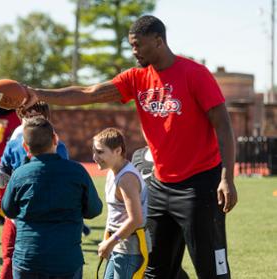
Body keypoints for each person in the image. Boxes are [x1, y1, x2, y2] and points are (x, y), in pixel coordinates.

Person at [21, 15, 237, 279]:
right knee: (155, 271)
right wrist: (38, 94)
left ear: (158, 41)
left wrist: (227, 177)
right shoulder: (136, 78)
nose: (133, 51)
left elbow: (223, 125)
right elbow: (89, 93)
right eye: (131, 45)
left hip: (199, 185)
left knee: (211, 270)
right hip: (159, 186)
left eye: (138, 45)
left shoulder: (195, 74)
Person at [0, 117, 102, 279]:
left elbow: (8, 209)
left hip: (28, 259)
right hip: (66, 260)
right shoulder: (77, 171)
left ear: (25, 147)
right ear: (55, 139)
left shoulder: (19, 174)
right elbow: (94, 210)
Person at [0, 102, 70, 279]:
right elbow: (2, 180)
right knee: (9, 259)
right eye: (28, 115)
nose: (32, 120)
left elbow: (63, 182)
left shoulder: (57, 146)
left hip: (47, 218)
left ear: (46, 118)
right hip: (16, 217)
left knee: (45, 263)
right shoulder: (14, 145)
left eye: (37, 115)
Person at [93, 128, 149, 279]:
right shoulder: (113, 171)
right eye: (94, 151)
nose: (95, 157)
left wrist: (110, 242)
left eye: (100, 152)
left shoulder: (126, 178)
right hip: (119, 245)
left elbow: (135, 219)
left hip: (129, 250)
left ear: (117, 150)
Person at [131, 147, 189, 279]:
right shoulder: (138, 155)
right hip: (141, 225)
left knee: (166, 267)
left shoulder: (174, 156)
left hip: (168, 222)